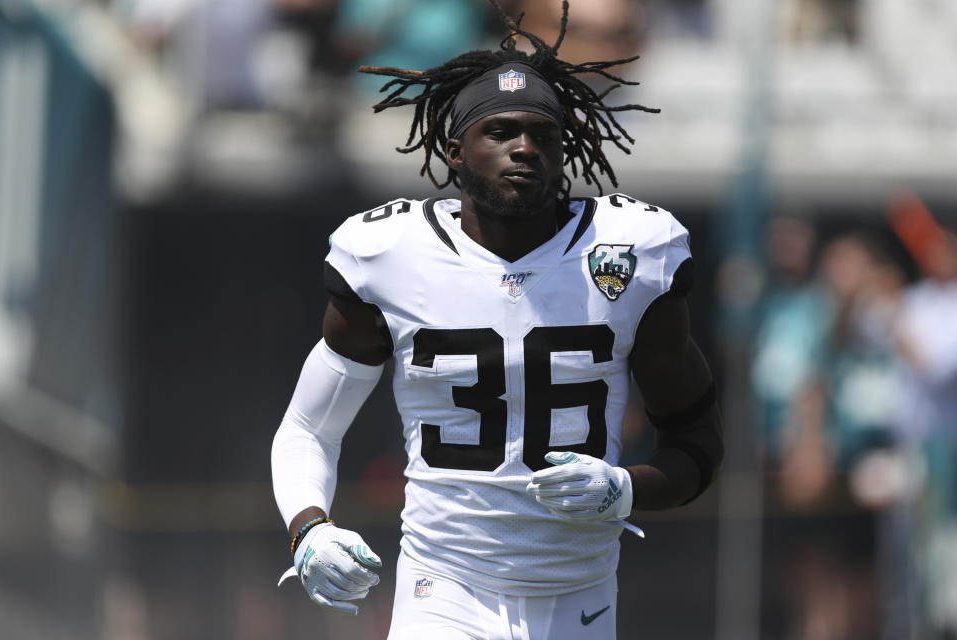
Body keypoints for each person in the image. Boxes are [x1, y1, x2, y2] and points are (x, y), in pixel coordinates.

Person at [271, 1, 724, 637]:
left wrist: (626, 489)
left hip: (580, 593)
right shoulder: (389, 256)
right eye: (502, 131)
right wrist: (309, 530)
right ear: (454, 151)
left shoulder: (630, 254)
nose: (524, 149)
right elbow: (308, 429)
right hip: (443, 587)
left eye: (543, 134)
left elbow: (698, 447)